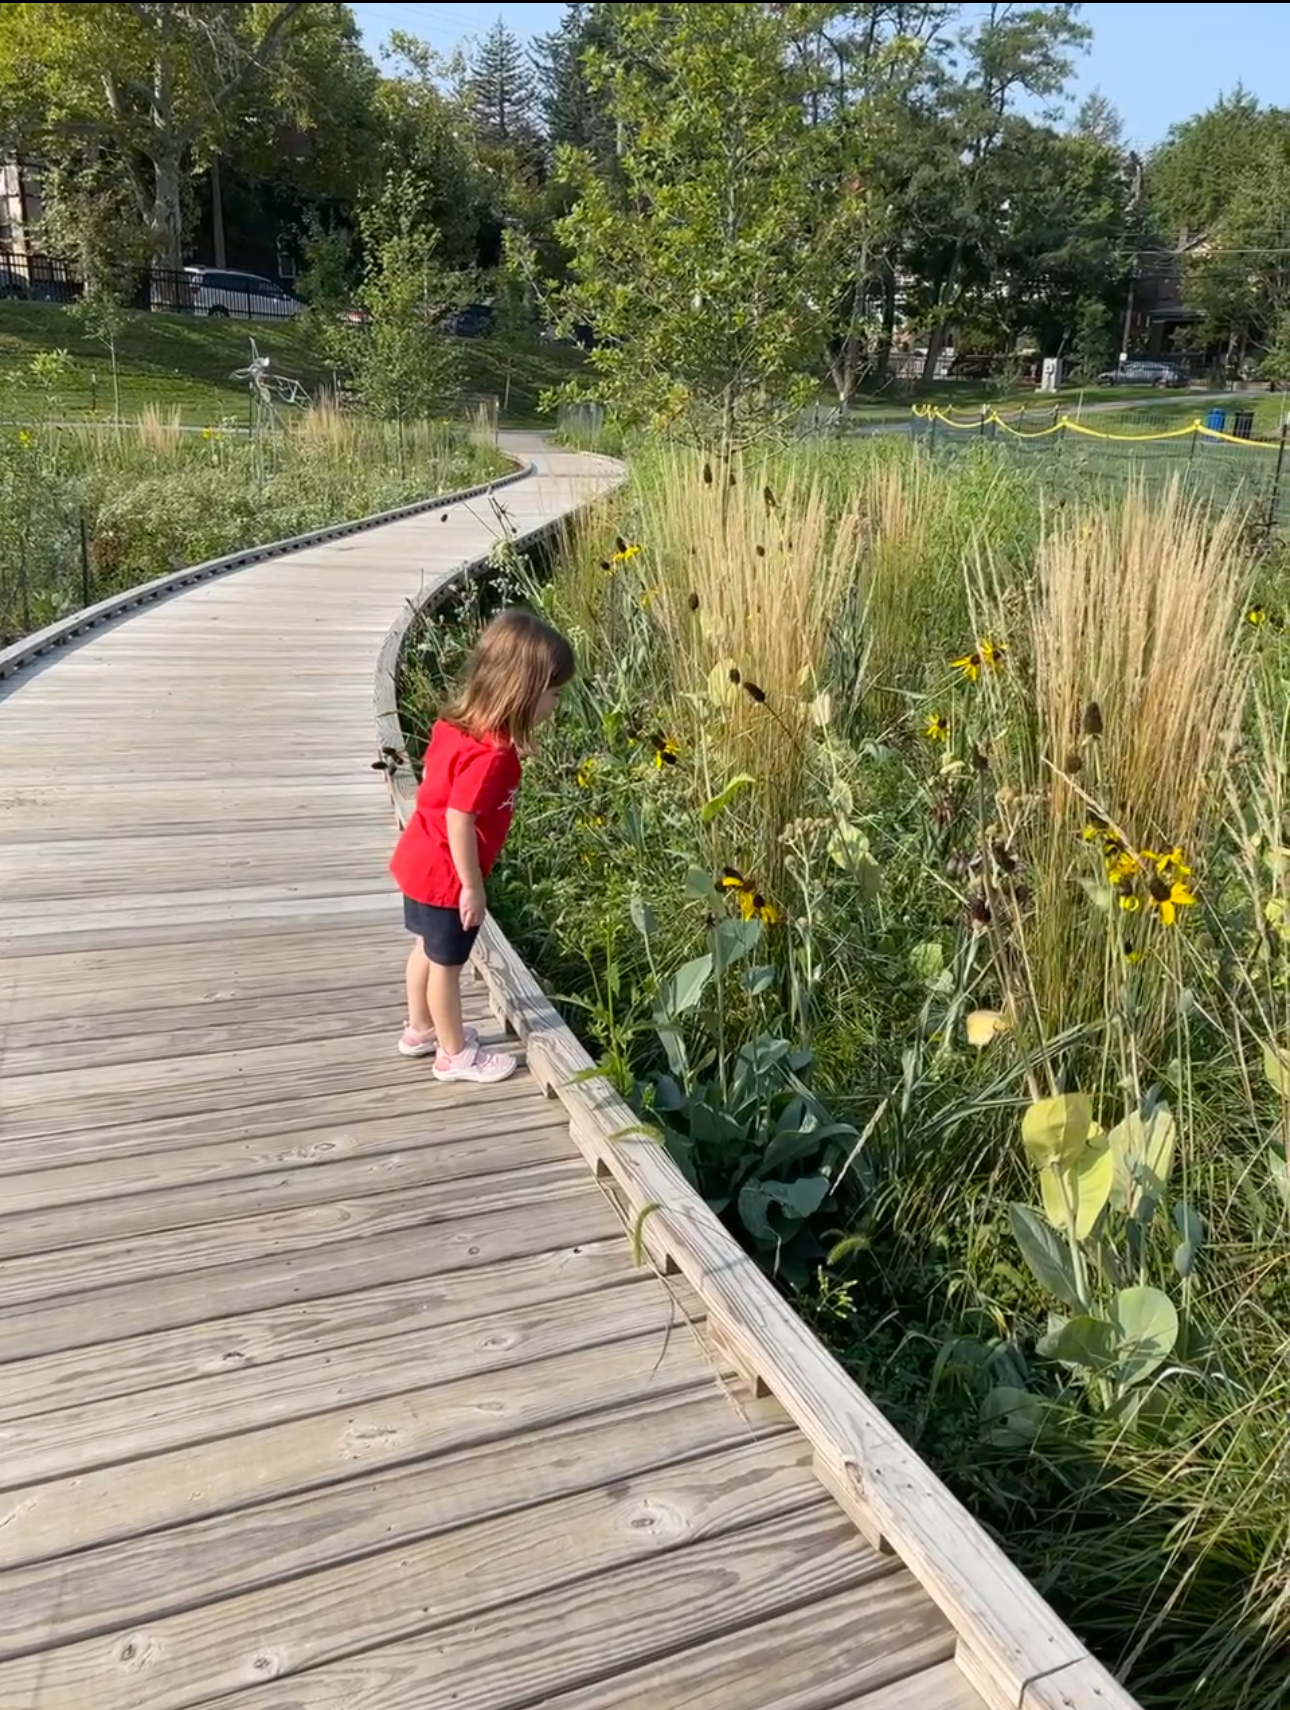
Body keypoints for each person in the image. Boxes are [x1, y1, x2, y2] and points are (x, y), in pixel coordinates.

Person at [390, 606, 575, 1084]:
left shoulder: (454, 727)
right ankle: (453, 1055)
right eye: (553, 694)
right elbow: (460, 818)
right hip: (446, 875)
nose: (555, 705)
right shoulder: (493, 758)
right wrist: (471, 887)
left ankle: (420, 1029)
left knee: (425, 950)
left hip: (418, 860)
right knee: (446, 967)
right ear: (525, 691)